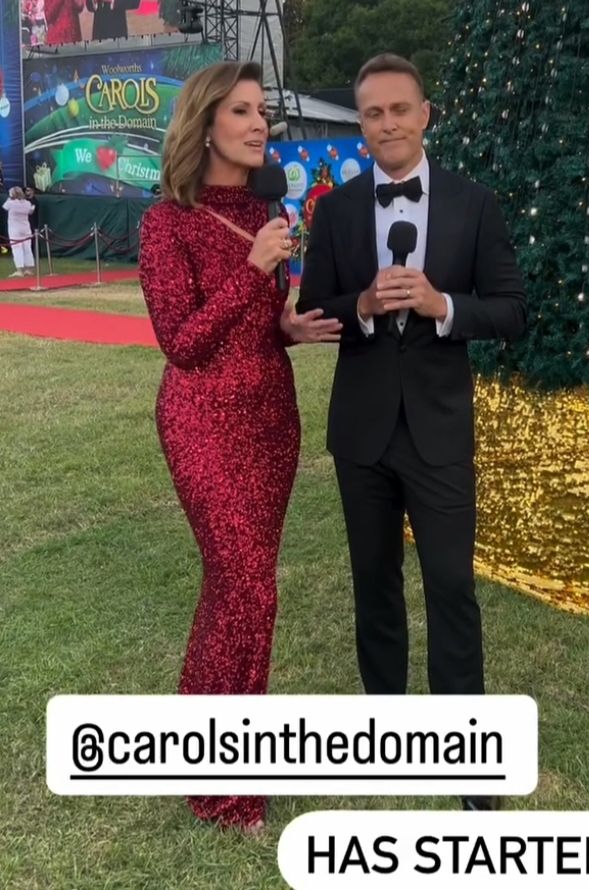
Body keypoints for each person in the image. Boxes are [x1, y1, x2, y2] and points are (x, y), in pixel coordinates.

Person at [298, 53, 527, 812]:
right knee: (374, 584)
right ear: (360, 124)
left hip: (438, 432)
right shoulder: (334, 210)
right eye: (373, 113)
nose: (387, 124)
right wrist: (362, 306)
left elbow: (511, 310)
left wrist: (442, 305)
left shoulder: (474, 203)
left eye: (400, 109)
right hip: (361, 435)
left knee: (452, 588)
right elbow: (314, 308)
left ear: (425, 115)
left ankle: (467, 759)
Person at [138, 60, 342, 832]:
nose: (260, 124)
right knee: (249, 590)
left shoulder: (265, 213)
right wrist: (251, 270)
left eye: (262, 112)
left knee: (235, 593)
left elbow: (252, 325)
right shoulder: (167, 223)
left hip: (270, 420)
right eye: (242, 112)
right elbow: (183, 344)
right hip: (201, 422)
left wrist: (285, 327)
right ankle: (224, 788)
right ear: (204, 125)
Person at [3, 186, 36, 277]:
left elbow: (4, 207)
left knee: (17, 249)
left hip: (15, 229)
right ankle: (29, 269)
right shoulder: (27, 203)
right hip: (26, 228)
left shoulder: (10, 203)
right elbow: (30, 212)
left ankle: (20, 270)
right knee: (27, 248)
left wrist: (10, 198)